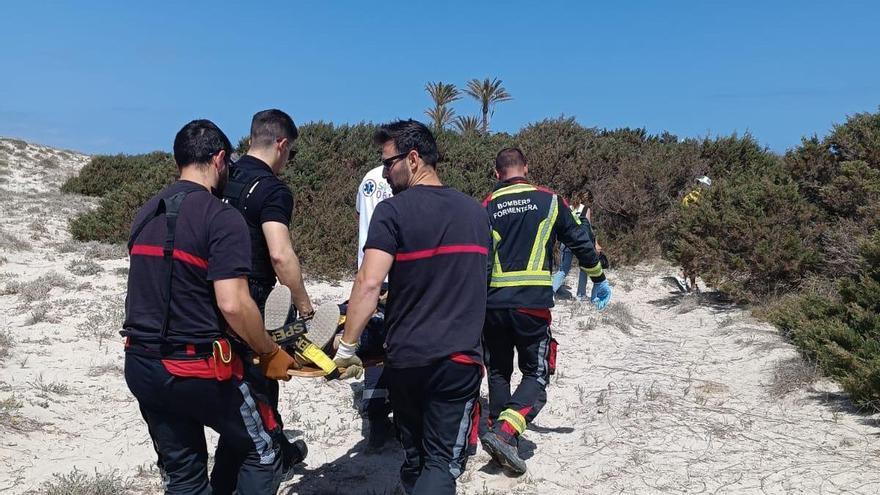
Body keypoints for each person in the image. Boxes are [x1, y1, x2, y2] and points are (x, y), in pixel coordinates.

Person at [122, 119, 298, 494]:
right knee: (263, 450)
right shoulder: (221, 217)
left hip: (140, 364)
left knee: (185, 476)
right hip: (196, 369)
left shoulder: (146, 212)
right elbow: (233, 304)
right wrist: (268, 350)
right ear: (220, 159)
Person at [333, 119, 489, 494]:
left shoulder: (393, 212)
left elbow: (369, 283)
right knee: (439, 464)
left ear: (414, 159)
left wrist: (348, 346)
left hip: (406, 360)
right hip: (458, 360)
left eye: (389, 162)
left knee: (417, 458)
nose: (384, 173)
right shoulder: (476, 214)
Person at [480, 148, 612, 475]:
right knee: (536, 373)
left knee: (498, 371)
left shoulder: (485, 206)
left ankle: (500, 433)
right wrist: (598, 279)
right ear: (525, 167)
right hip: (531, 305)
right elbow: (580, 241)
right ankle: (505, 432)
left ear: (497, 174)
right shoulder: (549, 200)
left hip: (492, 305)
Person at [220, 109, 313, 478]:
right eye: (289, 154)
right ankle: (273, 453)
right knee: (263, 379)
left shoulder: (223, 176)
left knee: (235, 389)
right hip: (253, 295)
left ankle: (269, 449)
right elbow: (280, 253)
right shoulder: (272, 189)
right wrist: (303, 303)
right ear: (282, 144)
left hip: (212, 293)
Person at [354, 165, 395, 448]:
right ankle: (397, 417)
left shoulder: (368, 177)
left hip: (367, 269)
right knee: (397, 344)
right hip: (396, 272)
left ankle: (375, 420)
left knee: (372, 349)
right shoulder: (406, 178)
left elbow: (360, 216)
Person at [551, 190, 602, 300]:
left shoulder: (569, 208)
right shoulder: (586, 209)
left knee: (563, 269)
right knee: (584, 269)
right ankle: (581, 295)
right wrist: (593, 243)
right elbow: (587, 228)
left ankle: (551, 291)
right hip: (580, 241)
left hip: (567, 241)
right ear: (588, 200)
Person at [676, 175, 711, 292]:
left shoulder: (703, 195)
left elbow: (685, 202)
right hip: (694, 228)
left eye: (702, 184)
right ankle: (684, 277)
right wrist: (688, 215)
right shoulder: (697, 194)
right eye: (700, 183)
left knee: (695, 257)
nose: (700, 185)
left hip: (698, 228)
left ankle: (691, 284)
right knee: (693, 256)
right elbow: (685, 202)